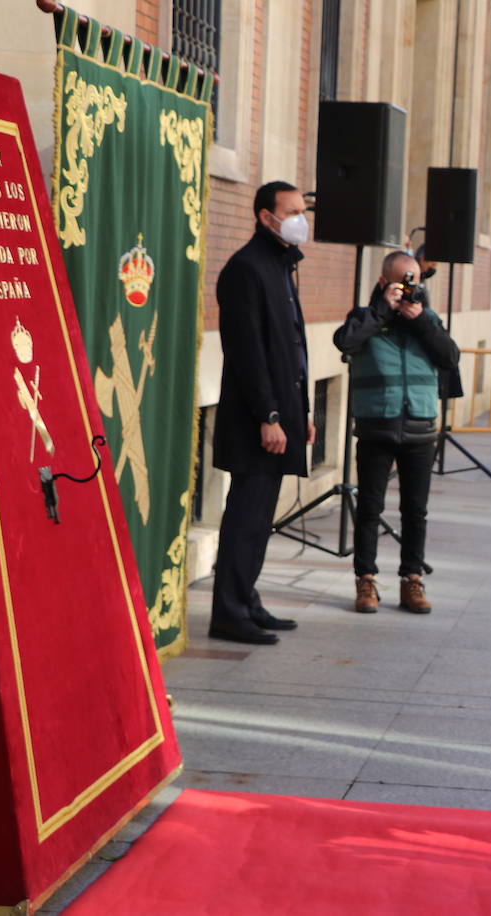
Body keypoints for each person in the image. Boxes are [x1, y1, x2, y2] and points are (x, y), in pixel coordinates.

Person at [209, 180, 316, 645]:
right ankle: (229, 612)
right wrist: (269, 416)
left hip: (280, 417)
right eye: (290, 210)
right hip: (256, 420)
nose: (299, 218)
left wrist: (301, 415)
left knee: (260, 520)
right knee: (245, 518)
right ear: (265, 216)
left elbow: (293, 349)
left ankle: (246, 601)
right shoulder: (245, 269)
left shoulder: (281, 267)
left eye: (301, 210)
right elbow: (248, 351)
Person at [333, 251, 459, 614]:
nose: (408, 288)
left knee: (415, 511)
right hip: (377, 426)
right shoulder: (364, 317)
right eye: (400, 281)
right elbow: (345, 342)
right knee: (370, 508)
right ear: (383, 282)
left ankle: (411, 581)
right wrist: (381, 312)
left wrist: (421, 322)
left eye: (413, 280)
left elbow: (450, 357)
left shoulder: (428, 319)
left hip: (419, 427)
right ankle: (366, 582)